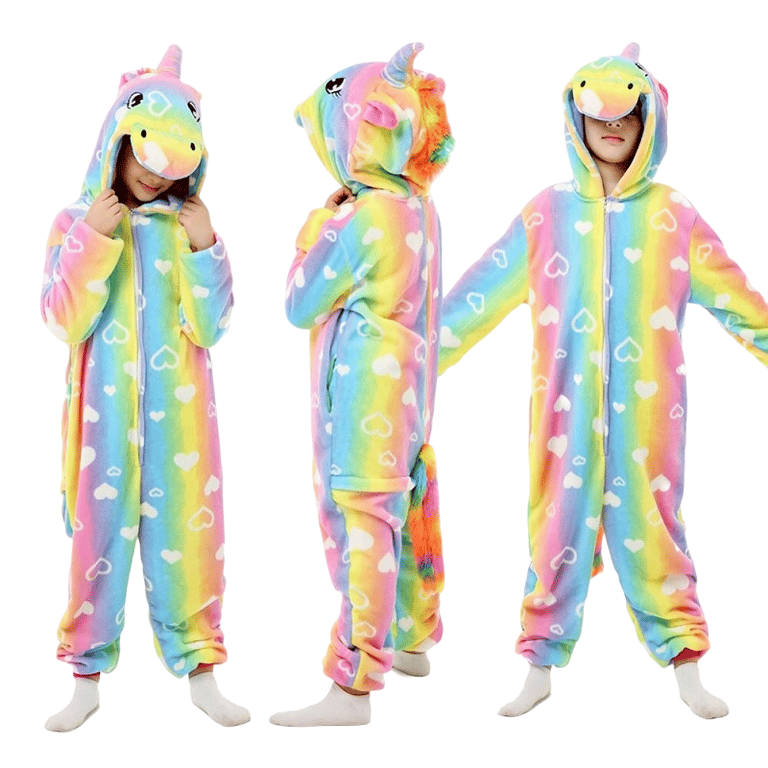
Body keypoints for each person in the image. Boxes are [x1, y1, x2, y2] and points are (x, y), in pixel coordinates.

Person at [438, 43, 768, 719]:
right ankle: (537, 665)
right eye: (599, 118)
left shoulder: (673, 215)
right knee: (553, 529)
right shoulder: (547, 213)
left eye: (626, 118)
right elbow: (477, 296)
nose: (612, 130)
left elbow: (740, 300)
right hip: (563, 415)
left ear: (650, 125)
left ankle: (686, 665)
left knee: (657, 531)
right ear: (576, 122)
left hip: (650, 419)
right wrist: (412, 362)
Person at [41, 45, 248, 731]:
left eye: (173, 165)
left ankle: (202, 671)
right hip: (101, 424)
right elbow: (62, 319)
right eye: (145, 158)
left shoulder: (186, 228)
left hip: (182, 423)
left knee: (191, 546)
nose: (156, 177)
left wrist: (206, 247)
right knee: (96, 546)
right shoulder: (75, 222)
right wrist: (92, 241)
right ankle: (84, 677)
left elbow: (212, 326)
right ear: (117, 141)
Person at [271, 43, 453, 727]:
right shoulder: (421, 210)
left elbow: (299, 302)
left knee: (360, 533)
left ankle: (352, 688)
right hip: (408, 399)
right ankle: (411, 640)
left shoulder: (358, 220)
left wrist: (317, 226)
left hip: (359, 406)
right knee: (399, 509)